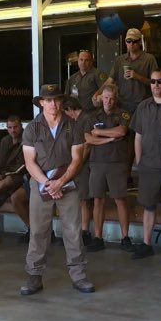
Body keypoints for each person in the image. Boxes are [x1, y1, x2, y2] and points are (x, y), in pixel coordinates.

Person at [20, 84, 91, 295]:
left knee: (73, 230)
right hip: (41, 184)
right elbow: (29, 162)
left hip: (67, 184)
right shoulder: (32, 128)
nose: (53, 104)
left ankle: (79, 275)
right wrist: (48, 184)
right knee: (38, 231)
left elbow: (77, 159)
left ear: (61, 101)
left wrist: (61, 182)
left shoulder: (73, 126)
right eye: (48, 100)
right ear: (41, 102)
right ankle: (34, 275)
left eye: (56, 99)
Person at [130, 68, 161, 259]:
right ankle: (146, 244)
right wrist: (139, 160)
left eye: (160, 81)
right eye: (152, 81)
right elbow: (138, 136)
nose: (156, 85)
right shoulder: (143, 106)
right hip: (148, 166)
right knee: (148, 206)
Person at [82, 84, 135, 252]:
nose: (108, 101)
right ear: (101, 98)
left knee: (120, 199)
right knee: (98, 200)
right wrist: (109, 139)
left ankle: (125, 237)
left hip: (117, 162)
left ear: (116, 99)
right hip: (97, 163)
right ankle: (98, 237)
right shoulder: (92, 116)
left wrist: (99, 132)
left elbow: (122, 131)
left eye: (111, 98)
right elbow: (89, 139)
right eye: (105, 98)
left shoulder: (123, 114)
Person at [0, 115, 29, 234]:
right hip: (2, 178)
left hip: (20, 177)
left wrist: (2, 176)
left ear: (21, 126)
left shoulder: (26, 140)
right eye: (10, 127)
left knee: (9, 180)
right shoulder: (5, 141)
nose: (13, 130)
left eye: (15, 127)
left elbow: (22, 166)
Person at [95, 28, 157, 114]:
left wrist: (137, 76)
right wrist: (97, 93)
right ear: (125, 42)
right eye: (129, 41)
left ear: (140, 42)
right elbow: (110, 80)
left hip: (143, 105)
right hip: (122, 105)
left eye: (135, 41)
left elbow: (156, 83)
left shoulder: (149, 59)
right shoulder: (120, 60)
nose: (131, 44)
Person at [64, 97, 96, 246]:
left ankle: (85, 231)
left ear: (70, 109)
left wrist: (79, 162)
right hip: (76, 164)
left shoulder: (85, 119)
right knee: (77, 198)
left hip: (84, 164)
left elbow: (88, 143)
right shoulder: (76, 121)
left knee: (83, 199)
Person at [65, 49, 106, 114]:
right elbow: (66, 96)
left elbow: (107, 91)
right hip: (77, 114)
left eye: (86, 60)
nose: (83, 63)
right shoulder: (72, 78)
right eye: (81, 60)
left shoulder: (98, 74)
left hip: (93, 113)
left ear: (91, 62)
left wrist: (99, 96)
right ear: (78, 61)